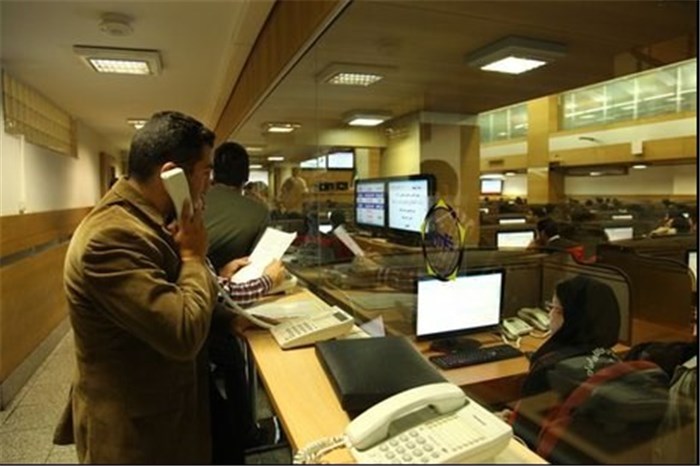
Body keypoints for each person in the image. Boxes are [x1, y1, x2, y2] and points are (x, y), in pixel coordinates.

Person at [59, 111, 220, 463]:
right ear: (171, 174)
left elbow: (174, 287)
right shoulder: (111, 237)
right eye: (206, 172)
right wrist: (194, 257)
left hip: (162, 416)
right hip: (138, 438)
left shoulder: (148, 219)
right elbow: (181, 332)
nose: (210, 183)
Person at [520, 275, 621, 397]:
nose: (550, 315)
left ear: (571, 318)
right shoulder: (612, 359)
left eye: (554, 308)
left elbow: (527, 408)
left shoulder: (549, 370)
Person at [205, 142, 271, 272]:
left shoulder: (192, 201)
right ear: (246, 176)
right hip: (229, 280)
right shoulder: (259, 213)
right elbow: (256, 266)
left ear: (214, 172)